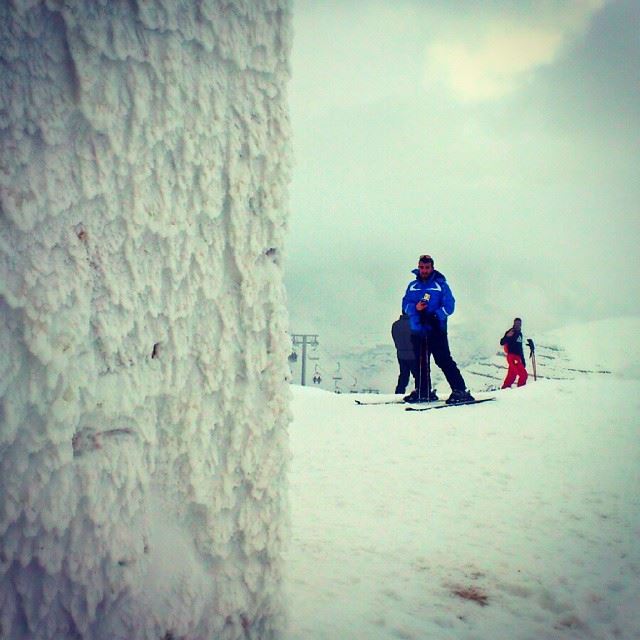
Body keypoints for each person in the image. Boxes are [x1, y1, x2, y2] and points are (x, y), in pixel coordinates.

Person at [401, 254, 474, 404]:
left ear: (432, 268)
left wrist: (436, 315)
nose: (424, 270)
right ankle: (423, 391)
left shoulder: (441, 285)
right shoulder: (412, 285)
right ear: (418, 267)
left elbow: (450, 306)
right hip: (417, 330)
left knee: (443, 359)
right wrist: (415, 308)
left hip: (436, 330)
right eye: (422, 267)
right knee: (420, 362)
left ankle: (460, 390)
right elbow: (405, 305)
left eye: (427, 267)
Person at [391, 313, 418, 394]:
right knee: (418, 375)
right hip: (413, 354)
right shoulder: (414, 324)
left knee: (404, 375)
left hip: (401, 354)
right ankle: (420, 392)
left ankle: (399, 392)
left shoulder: (395, 325)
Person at [500, 317, 528, 388]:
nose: (517, 325)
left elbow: (520, 348)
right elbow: (502, 342)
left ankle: (505, 389)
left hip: (517, 357)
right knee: (523, 375)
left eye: (519, 324)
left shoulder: (520, 334)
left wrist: (523, 360)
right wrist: (507, 336)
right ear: (514, 324)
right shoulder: (511, 332)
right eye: (516, 323)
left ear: (521, 325)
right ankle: (521, 390)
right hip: (512, 356)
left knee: (511, 375)